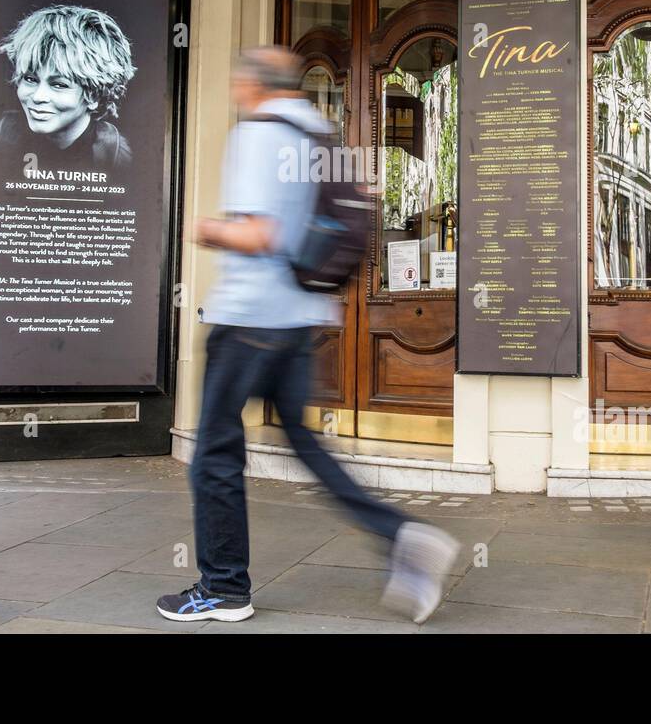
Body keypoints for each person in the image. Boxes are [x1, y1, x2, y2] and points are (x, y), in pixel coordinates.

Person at [156, 47, 459, 625]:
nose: (236, 88)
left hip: (249, 319)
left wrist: (203, 227)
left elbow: (258, 234)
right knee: (303, 440)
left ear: (253, 85)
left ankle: (223, 587)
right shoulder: (323, 136)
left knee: (214, 452)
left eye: (239, 79)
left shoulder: (259, 135)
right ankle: (402, 537)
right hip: (300, 319)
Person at [0, 4, 135, 169]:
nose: (38, 97)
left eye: (59, 84)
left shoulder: (117, 159)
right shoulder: (0, 138)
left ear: (94, 94)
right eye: (30, 79)